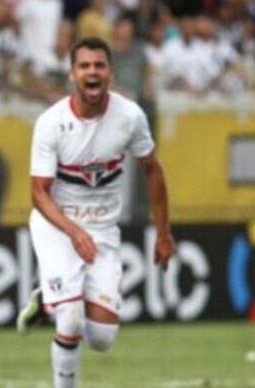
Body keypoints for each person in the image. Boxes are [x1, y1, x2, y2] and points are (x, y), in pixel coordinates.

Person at [16, 37, 175, 388]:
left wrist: (163, 232)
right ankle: (59, 314)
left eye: (99, 66)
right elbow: (38, 193)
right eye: (84, 66)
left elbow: (152, 168)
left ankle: (47, 301)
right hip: (57, 225)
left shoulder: (130, 116)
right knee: (71, 319)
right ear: (72, 74)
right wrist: (74, 232)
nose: (92, 72)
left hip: (103, 229)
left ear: (110, 73)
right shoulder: (51, 123)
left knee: (102, 339)